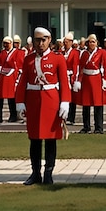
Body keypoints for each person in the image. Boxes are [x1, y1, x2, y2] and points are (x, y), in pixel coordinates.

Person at [16, 27, 70, 185]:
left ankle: (48, 172)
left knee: (50, 139)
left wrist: (65, 102)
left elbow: (64, 83)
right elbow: (22, 82)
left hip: (51, 100)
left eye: (43, 40)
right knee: (34, 139)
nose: (40, 43)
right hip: (33, 101)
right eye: (37, 40)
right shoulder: (28, 59)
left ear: (49, 40)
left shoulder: (58, 58)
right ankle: (35, 173)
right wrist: (20, 102)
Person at [74, 34, 106, 134]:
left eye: (93, 42)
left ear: (97, 43)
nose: (92, 44)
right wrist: (78, 81)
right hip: (86, 79)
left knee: (98, 105)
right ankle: (86, 126)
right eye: (90, 42)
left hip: (96, 79)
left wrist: (105, 80)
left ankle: (99, 127)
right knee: (86, 105)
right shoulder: (84, 54)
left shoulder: (102, 53)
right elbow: (80, 68)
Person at [0, 36, 20, 124]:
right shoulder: (1, 53)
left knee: (12, 98)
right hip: (2, 77)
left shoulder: (17, 52)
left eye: (7, 43)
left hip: (12, 76)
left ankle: (13, 116)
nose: (5, 45)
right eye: (4, 43)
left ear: (11, 43)